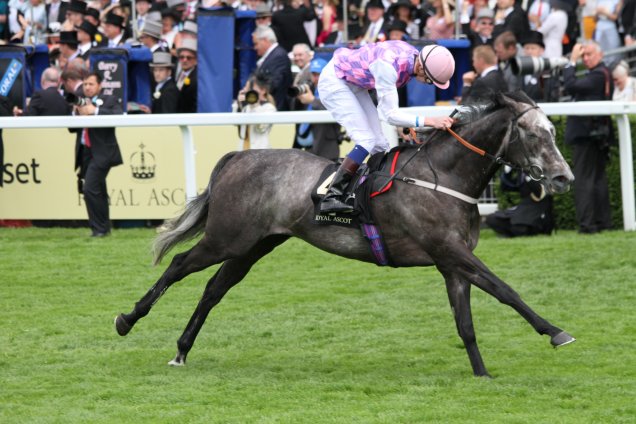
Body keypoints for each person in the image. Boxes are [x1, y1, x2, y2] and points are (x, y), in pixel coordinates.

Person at [317, 41, 455, 213]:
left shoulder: (413, 57)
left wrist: (404, 124)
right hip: (335, 81)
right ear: (421, 67)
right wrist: (431, 121)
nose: (426, 83)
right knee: (367, 140)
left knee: (381, 145)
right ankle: (332, 196)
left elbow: (387, 106)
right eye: (429, 80)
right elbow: (388, 114)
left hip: (355, 83)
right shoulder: (388, 66)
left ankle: (377, 197)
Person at [563, 42, 613, 233]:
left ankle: (588, 225)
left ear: (600, 54)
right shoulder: (602, 73)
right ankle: (602, 223)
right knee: (597, 179)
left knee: (585, 179)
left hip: (587, 135)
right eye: (583, 56)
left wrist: (572, 62)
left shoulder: (599, 74)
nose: (586, 58)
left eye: (589, 54)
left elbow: (570, 85)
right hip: (595, 133)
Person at [70, 71, 123, 237]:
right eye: (85, 84)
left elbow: (118, 116)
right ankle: (101, 228)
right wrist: (75, 113)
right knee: (97, 189)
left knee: (90, 188)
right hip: (85, 152)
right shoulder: (80, 101)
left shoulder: (109, 100)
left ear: (99, 86)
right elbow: (71, 128)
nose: (87, 87)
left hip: (103, 153)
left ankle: (99, 229)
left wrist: (95, 111)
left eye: (91, 84)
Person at [486, 166, 555, 237]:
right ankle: (510, 234)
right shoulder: (521, 173)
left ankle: (515, 233)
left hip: (538, 210)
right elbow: (506, 187)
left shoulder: (539, 170)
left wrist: (528, 175)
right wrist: (507, 173)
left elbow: (539, 193)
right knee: (492, 219)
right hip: (522, 210)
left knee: (519, 228)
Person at [297, 57, 342, 160]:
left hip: (326, 146)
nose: (316, 78)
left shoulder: (335, 88)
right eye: (314, 74)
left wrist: (312, 100)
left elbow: (335, 109)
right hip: (309, 144)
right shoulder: (309, 88)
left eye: (319, 74)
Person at [252, 25, 293, 111]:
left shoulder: (278, 56)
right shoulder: (272, 56)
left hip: (276, 108)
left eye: (256, 43)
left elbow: (274, 84)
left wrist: (255, 91)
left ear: (265, 40)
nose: (255, 48)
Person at [236, 71, 277, 150]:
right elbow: (234, 122)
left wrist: (255, 105)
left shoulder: (269, 108)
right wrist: (239, 105)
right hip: (243, 151)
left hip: (260, 153)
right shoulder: (247, 107)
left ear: (263, 90)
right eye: (246, 88)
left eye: (250, 89)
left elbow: (261, 127)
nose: (247, 91)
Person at [175, 38, 198, 113]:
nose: (184, 60)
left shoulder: (197, 78)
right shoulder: (177, 73)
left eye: (189, 58)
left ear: (196, 60)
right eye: (182, 57)